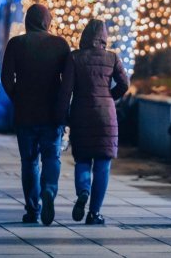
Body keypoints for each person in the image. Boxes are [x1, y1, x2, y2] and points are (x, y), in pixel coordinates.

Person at [1, 4, 70, 226]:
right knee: (52, 157)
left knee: (29, 162)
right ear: (47, 21)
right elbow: (68, 81)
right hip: (51, 115)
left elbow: (6, 78)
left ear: (28, 20)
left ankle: (32, 209)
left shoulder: (16, 44)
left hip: (25, 115)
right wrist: (62, 106)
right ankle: (49, 189)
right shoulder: (60, 45)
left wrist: (18, 97)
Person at [56, 19, 129, 225]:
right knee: (103, 165)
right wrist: (109, 97)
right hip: (106, 116)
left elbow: (66, 91)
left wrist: (63, 117)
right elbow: (125, 83)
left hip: (81, 113)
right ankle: (94, 213)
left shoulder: (74, 58)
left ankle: (83, 191)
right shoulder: (112, 58)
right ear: (104, 37)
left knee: (82, 160)